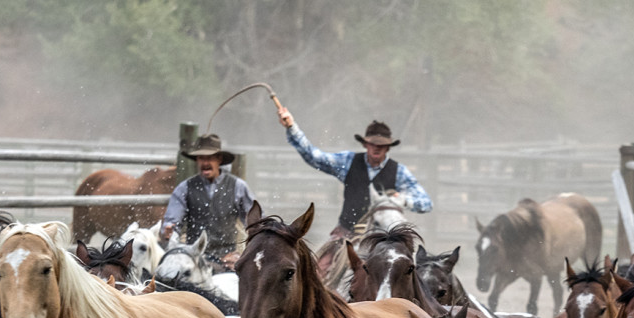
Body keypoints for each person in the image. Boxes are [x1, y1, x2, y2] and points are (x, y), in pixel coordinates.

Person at [276, 106, 432, 272]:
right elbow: (314, 157)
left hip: (385, 240)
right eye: (372, 144)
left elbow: (426, 203)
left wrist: (404, 200)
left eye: (381, 145)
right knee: (319, 271)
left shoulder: (399, 172)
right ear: (365, 144)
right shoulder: (349, 161)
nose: (376, 147)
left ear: (388, 148)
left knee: (410, 273)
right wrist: (292, 127)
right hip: (346, 234)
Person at [160, 133, 253, 271]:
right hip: (193, 260)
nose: (205, 163)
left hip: (227, 260)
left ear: (219, 159)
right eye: (201, 158)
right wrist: (168, 231)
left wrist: (243, 256)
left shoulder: (238, 187)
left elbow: (256, 225)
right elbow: (171, 224)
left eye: (209, 158)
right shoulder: (185, 188)